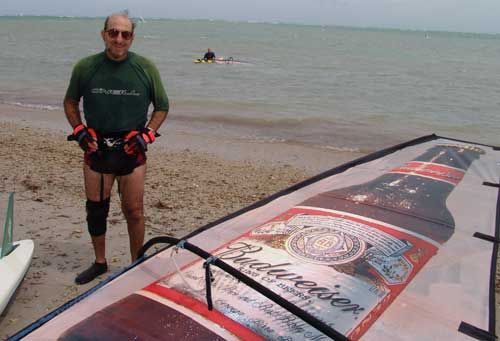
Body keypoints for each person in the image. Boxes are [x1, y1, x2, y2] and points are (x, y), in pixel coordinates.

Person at [64, 11, 169, 285]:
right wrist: (79, 130)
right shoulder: (86, 67)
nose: (119, 39)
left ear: (132, 37)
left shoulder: (146, 68)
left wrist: (147, 134)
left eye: (125, 34)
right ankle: (100, 262)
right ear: (104, 34)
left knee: (133, 210)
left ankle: (137, 264)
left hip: (131, 149)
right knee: (96, 209)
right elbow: (70, 102)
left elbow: (162, 106)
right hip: (96, 147)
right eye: (114, 32)